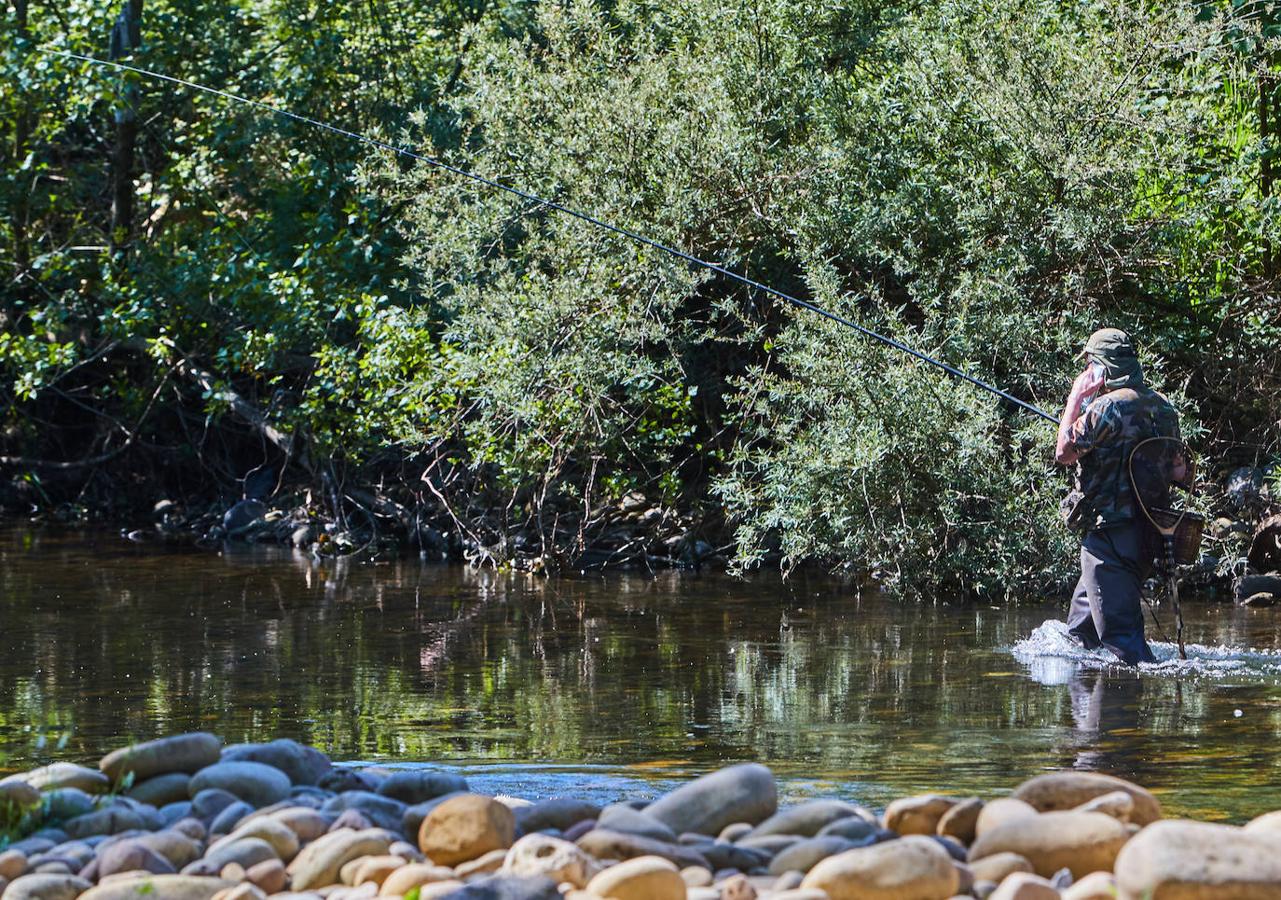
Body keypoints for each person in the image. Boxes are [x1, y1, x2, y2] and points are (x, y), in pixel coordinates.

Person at [1054, 328, 1186, 666]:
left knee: (1124, 647)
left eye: (1089, 365)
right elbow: (1178, 472)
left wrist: (1075, 398)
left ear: (1100, 367)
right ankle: (1088, 706)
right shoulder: (1164, 408)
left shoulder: (1106, 407)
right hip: (1147, 537)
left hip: (1108, 540)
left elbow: (1064, 452)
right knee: (1080, 638)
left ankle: (1122, 711)